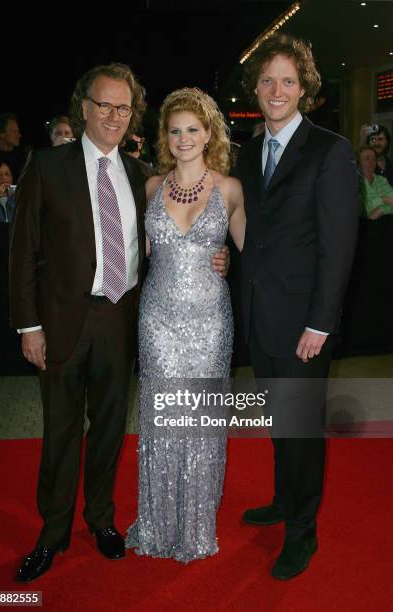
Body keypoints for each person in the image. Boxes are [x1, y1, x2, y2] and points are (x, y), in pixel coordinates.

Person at [10, 64, 228, 583]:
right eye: (103, 104)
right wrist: (28, 326)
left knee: (108, 428)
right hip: (62, 321)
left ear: (133, 115)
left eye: (123, 107)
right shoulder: (46, 165)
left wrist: (219, 260)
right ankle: (52, 532)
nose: (112, 114)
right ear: (83, 107)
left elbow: (180, 237)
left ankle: (101, 520)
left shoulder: (140, 176)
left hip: (122, 319)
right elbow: (21, 254)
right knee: (61, 430)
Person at [236, 34, 358, 580]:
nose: (276, 89)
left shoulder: (330, 150)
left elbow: (339, 246)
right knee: (282, 424)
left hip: (304, 326)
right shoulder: (247, 151)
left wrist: (320, 324)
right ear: (256, 89)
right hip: (261, 317)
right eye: (267, 80)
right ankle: (284, 502)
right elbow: (251, 232)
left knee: (303, 432)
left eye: (288, 80)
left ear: (305, 88)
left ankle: (302, 534)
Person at [126, 88, 245, 562]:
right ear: (165, 137)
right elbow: (141, 254)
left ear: (209, 132)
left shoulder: (230, 188)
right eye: (174, 130)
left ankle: (196, 523)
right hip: (157, 319)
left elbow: (250, 254)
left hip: (211, 321)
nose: (183, 138)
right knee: (161, 420)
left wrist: (229, 263)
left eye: (192, 129)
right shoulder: (152, 187)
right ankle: (157, 522)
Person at [358, 145, 393, 219]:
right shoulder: (355, 182)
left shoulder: (382, 180)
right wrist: (383, 199)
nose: (372, 162)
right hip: (364, 227)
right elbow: (363, 211)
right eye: (367, 159)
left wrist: (380, 210)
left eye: (374, 159)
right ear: (358, 162)